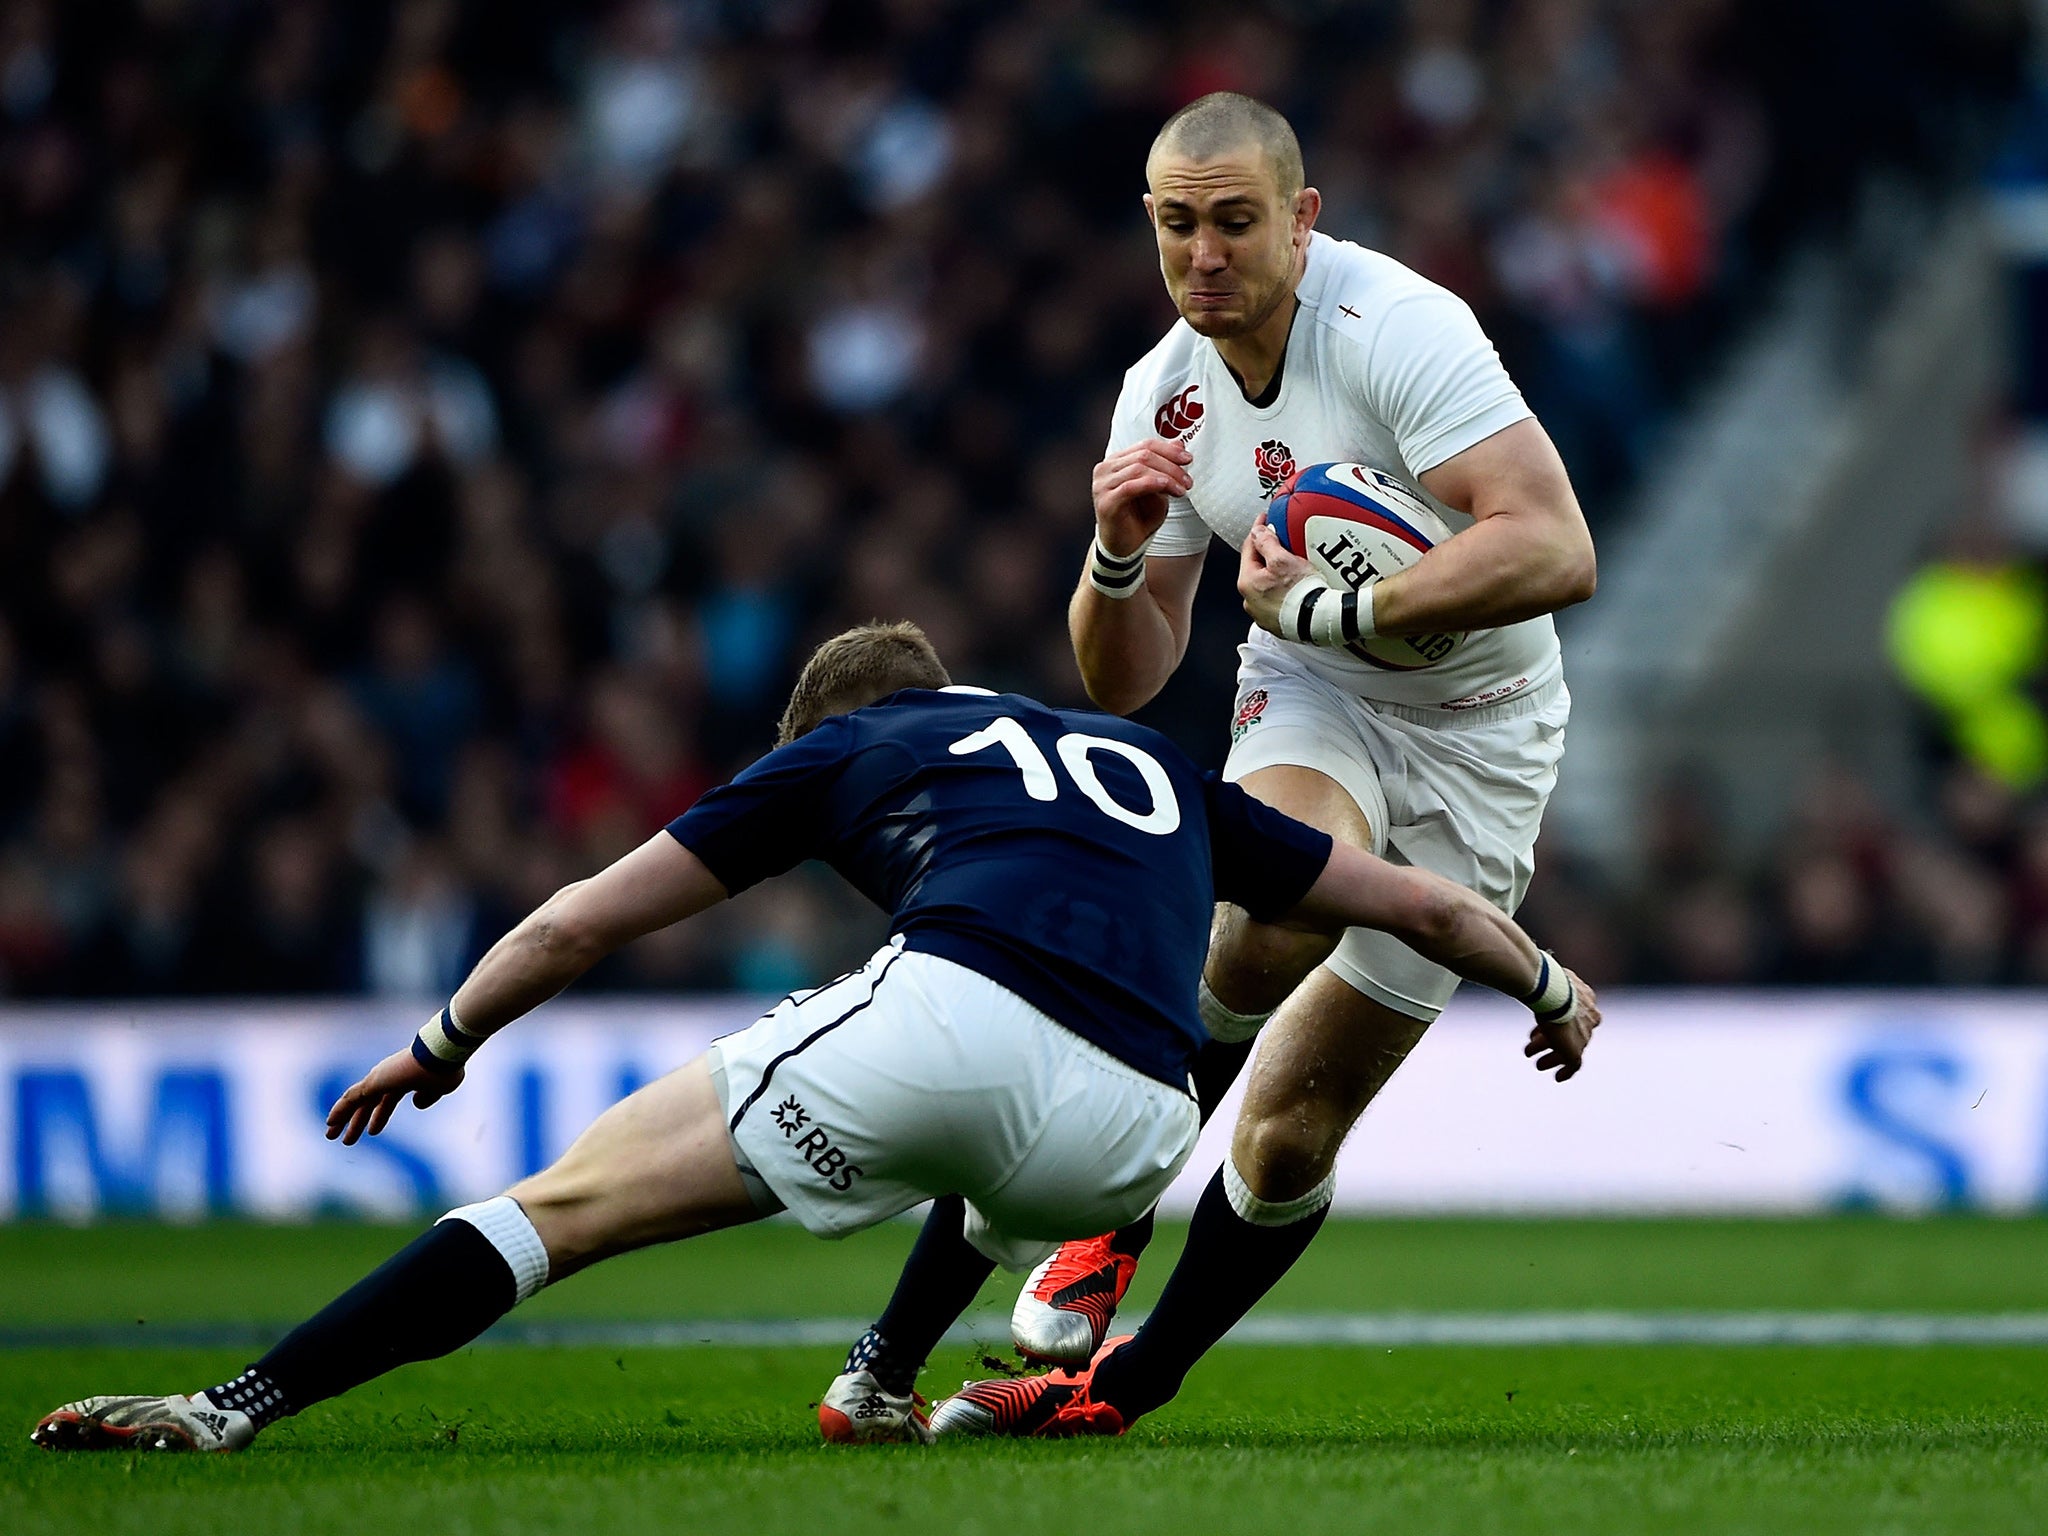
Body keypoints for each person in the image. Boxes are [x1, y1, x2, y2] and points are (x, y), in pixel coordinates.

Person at [30, 621, 1596, 1455]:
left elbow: (579, 921)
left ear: (831, 726)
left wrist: (443, 1042)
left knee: (557, 1210)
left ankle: (231, 1409)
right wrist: (1545, 985)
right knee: (988, 1143)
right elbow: (1417, 902)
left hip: (955, 1018)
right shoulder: (1149, 765)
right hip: (1136, 1132)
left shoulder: (853, 744)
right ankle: (883, 1375)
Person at [976, 90, 1599, 1428]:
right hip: (1316, 695)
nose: (1203, 254)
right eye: (1176, 225)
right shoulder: (1159, 396)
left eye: (1235, 222)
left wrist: (1340, 609)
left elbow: (1556, 548)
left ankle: (1123, 1384)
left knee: (1288, 1133)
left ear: (1303, 219)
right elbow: (1126, 678)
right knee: (1274, 908)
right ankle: (1113, 1213)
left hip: (1487, 730)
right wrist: (1115, 557)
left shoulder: (1399, 330)